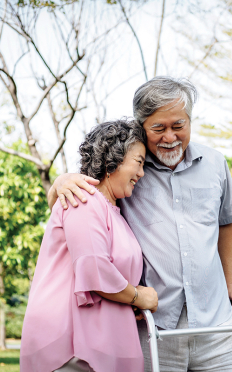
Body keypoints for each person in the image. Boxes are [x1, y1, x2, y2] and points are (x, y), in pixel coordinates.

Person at [49, 77, 232, 372]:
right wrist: (60, 181)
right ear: (142, 127)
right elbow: (80, 204)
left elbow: (227, 223)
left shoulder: (216, 163)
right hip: (153, 326)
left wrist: (231, 284)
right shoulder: (129, 170)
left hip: (216, 325)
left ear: (190, 121)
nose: (170, 137)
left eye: (178, 126)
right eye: (159, 128)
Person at [21, 119, 158, 372]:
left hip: (105, 346)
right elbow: (95, 269)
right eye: (138, 163)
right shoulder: (83, 199)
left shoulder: (115, 211)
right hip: (73, 352)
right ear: (113, 160)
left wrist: (129, 299)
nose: (142, 173)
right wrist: (139, 297)